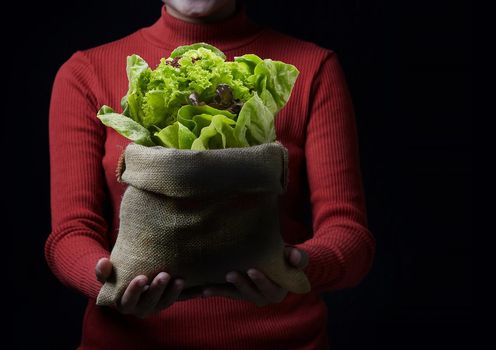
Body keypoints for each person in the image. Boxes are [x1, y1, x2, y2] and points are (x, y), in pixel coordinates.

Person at [46, 0, 375, 348]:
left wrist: (296, 270)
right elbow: (71, 233)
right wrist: (107, 283)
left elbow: (349, 235)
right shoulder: (86, 72)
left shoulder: (313, 68)